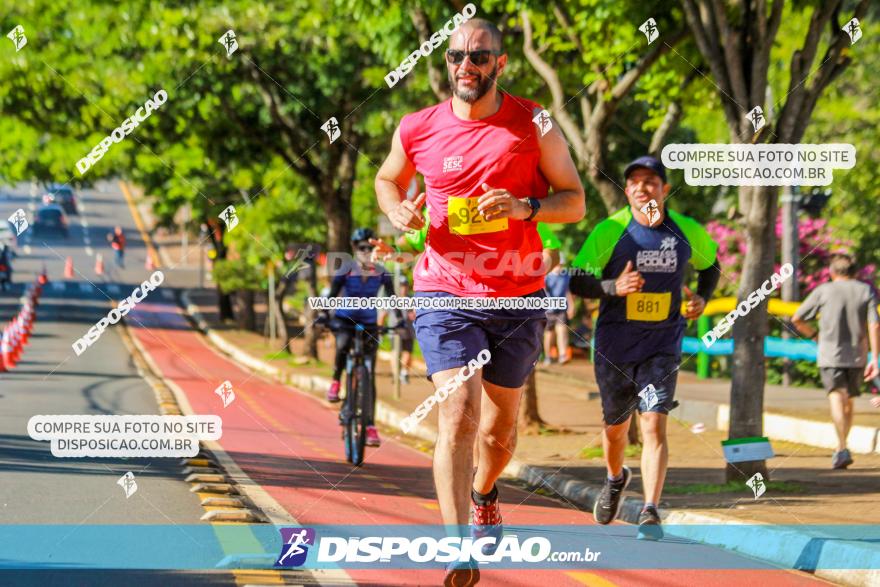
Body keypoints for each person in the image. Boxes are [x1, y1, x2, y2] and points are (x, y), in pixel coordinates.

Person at [374, 17, 585, 585]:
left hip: (516, 294)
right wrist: (396, 210)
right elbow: (387, 178)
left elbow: (574, 200)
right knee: (458, 411)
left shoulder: (533, 119)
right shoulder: (417, 126)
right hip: (444, 289)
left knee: (500, 432)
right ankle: (456, 547)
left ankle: (486, 489)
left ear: (500, 63)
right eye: (456, 56)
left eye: (479, 56)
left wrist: (524, 208)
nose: (465, 65)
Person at [569, 155, 720, 540]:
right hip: (615, 345)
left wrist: (702, 297)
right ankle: (615, 477)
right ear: (626, 190)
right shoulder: (610, 231)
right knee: (616, 429)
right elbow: (577, 280)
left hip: (662, 344)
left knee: (653, 422)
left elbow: (711, 266)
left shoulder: (686, 231)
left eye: (651, 181)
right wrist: (612, 288)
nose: (641, 188)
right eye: (634, 182)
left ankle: (651, 509)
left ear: (664, 189)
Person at [791, 253, 880, 469]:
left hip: (830, 354)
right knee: (848, 402)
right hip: (858, 355)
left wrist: (814, 336)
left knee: (836, 398)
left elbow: (796, 318)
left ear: (831, 273)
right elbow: (874, 325)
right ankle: (843, 445)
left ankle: (841, 448)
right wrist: (875, 359)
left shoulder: (823, 291)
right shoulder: (865, 290)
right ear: (856, 272)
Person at [323, 228, 395, 447]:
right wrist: (324, 315)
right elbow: (332, 295)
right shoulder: (345, 270)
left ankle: (371, 426)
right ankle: (336, 380)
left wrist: (399, 321)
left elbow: (392, 299)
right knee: (343, 343)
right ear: (354, 249)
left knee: (369, 373)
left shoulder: (382, 272)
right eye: (361, 247)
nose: (365, 251)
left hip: (370, 324)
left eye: (369, 247)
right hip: (345, 320)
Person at [543, 260, 572, 365]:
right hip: (548, 309)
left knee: (562, 329)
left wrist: (571, 306)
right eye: (557, 264)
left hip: (561, 308)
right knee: (549, 333)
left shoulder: (566, 276)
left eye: (560, 264)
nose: (559, 266)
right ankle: (547, 356)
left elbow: (568, 291)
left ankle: (563, 355)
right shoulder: (546, 276)